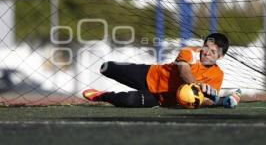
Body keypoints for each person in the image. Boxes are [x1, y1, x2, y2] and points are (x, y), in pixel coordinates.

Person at [82, 33, 241, 108]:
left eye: (212, 52)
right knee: (108, 67)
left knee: (128, 101)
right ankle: (109, 70)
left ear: (220, 56)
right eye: (206, 47)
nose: (206, 52)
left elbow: (207, 100)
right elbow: (183, 72)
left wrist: (217, 102)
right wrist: (198, 86)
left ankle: (102, 96)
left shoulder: (218, 75)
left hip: (160, 99)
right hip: (149, 74)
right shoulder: (190, 52)